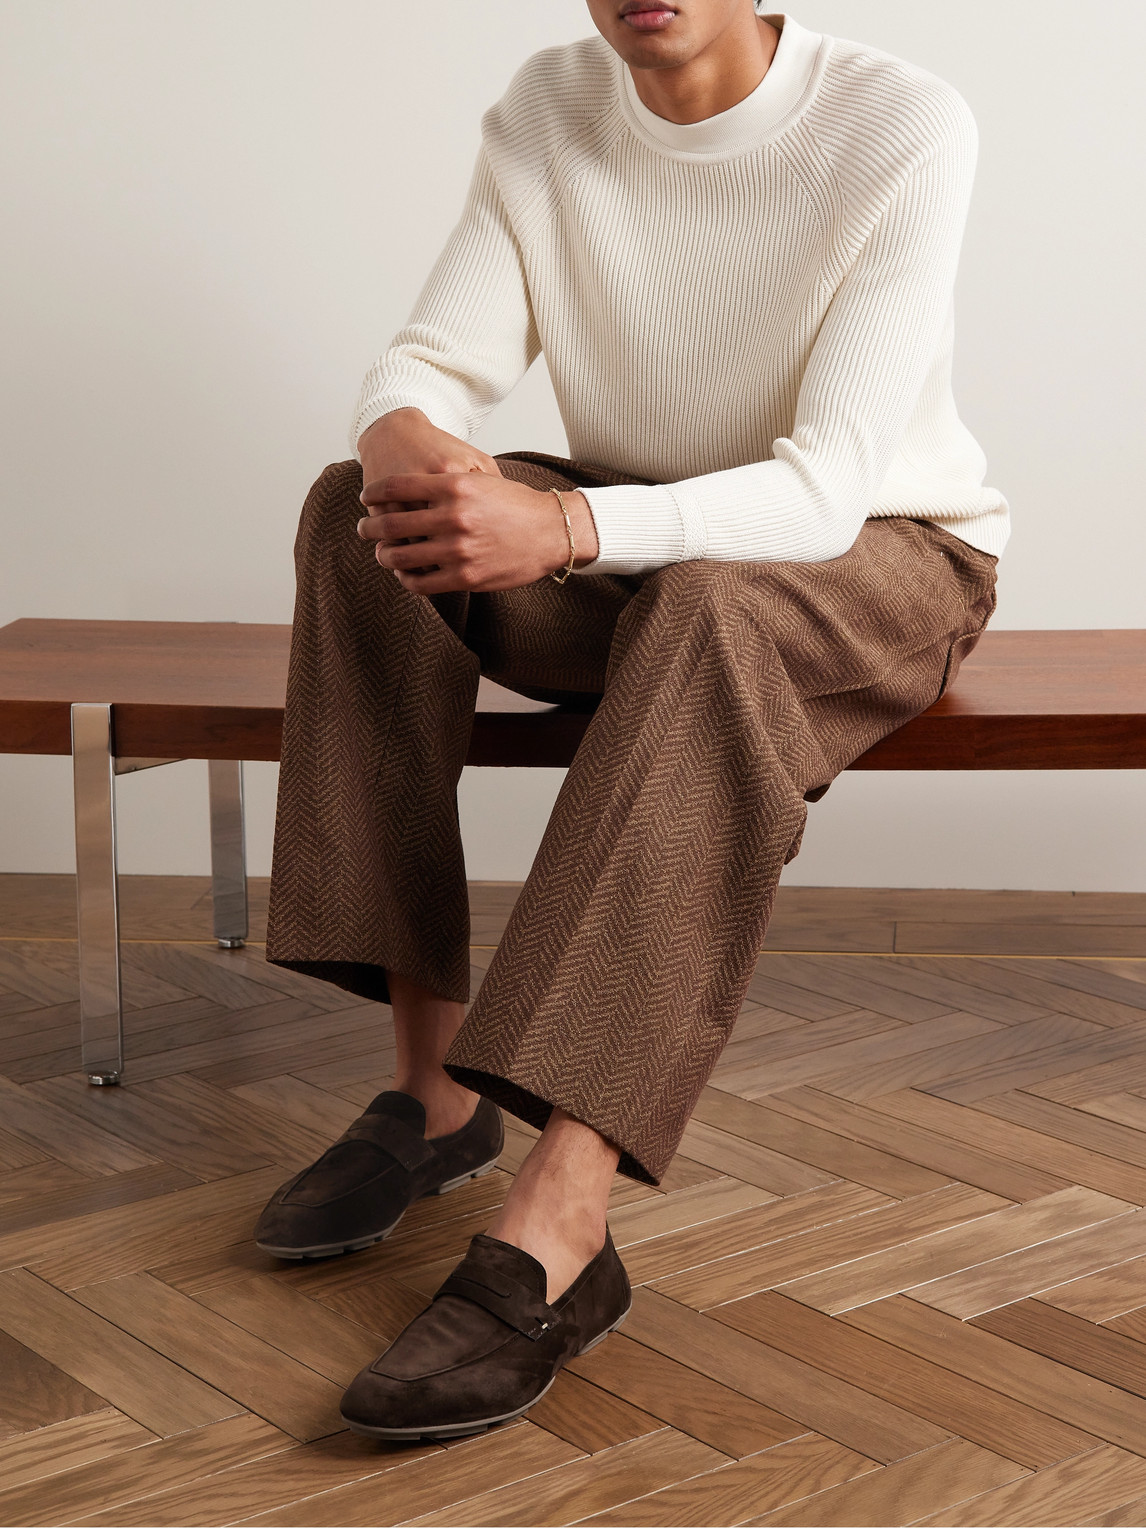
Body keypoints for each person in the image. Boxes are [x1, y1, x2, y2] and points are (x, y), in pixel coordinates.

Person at [256, 0, 1008, 1439]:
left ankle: (564, 1218)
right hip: (629, 545)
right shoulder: (550, 104)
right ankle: (433, 1101)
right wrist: (401, 429)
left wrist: (566, 521)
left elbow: (825, 486)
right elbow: (426, 360)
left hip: (879, 553)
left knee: (710, 612)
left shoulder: (896, 122)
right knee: (361, 520)